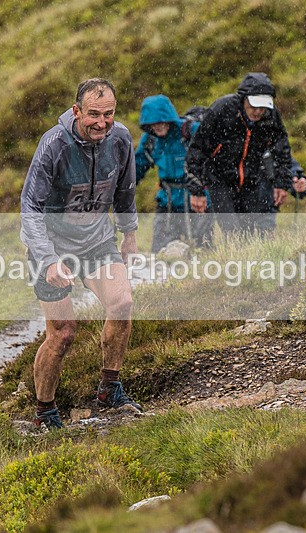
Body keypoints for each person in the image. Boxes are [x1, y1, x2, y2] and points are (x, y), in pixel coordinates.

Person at [20, 78, 142, 430]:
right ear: (76, 111)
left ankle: (109, 389)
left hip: (97, 243)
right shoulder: (54, 145)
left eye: (108, 114)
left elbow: (125, 190)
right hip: (52, 246)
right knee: (62, 333)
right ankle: (45, 411)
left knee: (121, 303)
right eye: (93, 114)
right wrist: (47, 259)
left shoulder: (119, 138)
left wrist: (129, 234)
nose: (101, 122)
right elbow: (30, 207)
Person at [186, 72, 294, 236]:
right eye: (253, 106)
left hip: (252, 179)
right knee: (232, 230)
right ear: (243, 99)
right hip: (220, 180)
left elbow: (282, 150)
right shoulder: (222, 110)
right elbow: (197, 150)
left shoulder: (271, 117)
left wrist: (281, 183)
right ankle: (231, 259)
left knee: (252, 232)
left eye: (262, 107)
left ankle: (251, 261)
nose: (257, 112)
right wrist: (197, 190)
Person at [135, 95, 212, 252]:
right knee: (159, 252)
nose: (158, 126)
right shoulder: (150, 140)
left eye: (161, 121)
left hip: (196, 199)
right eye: (153, 123)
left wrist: (203, 191)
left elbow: (213, 161)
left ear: (169, 118)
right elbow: (136, 166)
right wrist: (121, 190)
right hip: (167, 202)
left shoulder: (190, 131)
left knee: (202, 250)